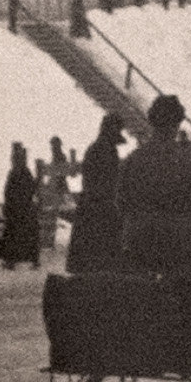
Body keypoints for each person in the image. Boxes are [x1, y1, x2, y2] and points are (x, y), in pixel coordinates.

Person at [117, 93, 191, 281]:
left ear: (152, 122)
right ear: (177, 124)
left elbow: (121, 203)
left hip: (137, 243)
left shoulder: (133, 160)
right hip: (177, 246)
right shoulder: (188, 161)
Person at [69, 113, 129, 271]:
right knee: (102, 258)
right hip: (102, 207)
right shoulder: (107, 150)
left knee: (89, 259)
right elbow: (109, 182)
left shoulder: (95, 148)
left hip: (90, 206)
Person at [0, 144, 41, 269]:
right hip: (25, 209)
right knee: (28, 235)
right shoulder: (26, 172)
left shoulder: (13, 173)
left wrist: (7, 206)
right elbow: (32, 188)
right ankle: (33, 260)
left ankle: (11, 261)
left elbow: (8, 192)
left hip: (15, 210)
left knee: (12, 235)